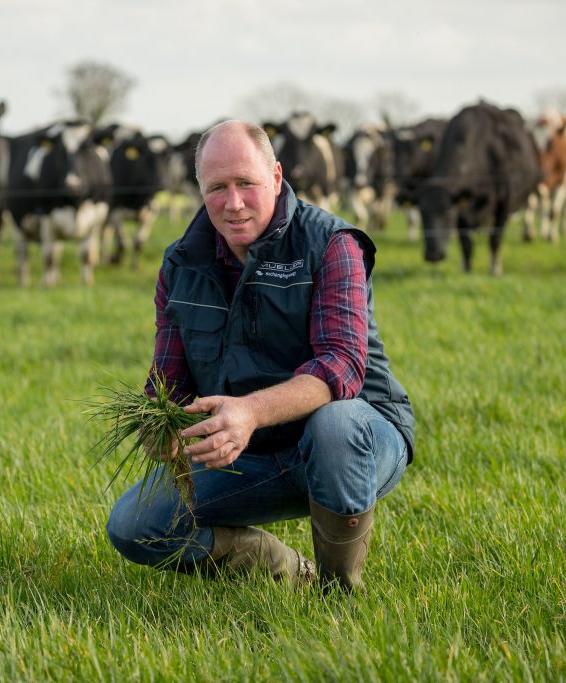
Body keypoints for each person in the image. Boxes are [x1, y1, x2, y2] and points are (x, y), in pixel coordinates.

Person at [106, 120, 415, 592]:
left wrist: (249, 412)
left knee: (335, 424)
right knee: (134, 524)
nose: (232, 204)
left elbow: (343, 366)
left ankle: (341, 592)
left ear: (275, 176)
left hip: (357, 441)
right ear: (198, 188)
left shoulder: (331, 243)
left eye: (246, 184)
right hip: (250, 453)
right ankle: (289, 572)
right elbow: (168, 380)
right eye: (217, 188)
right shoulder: (181, 263)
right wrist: (160, 424)